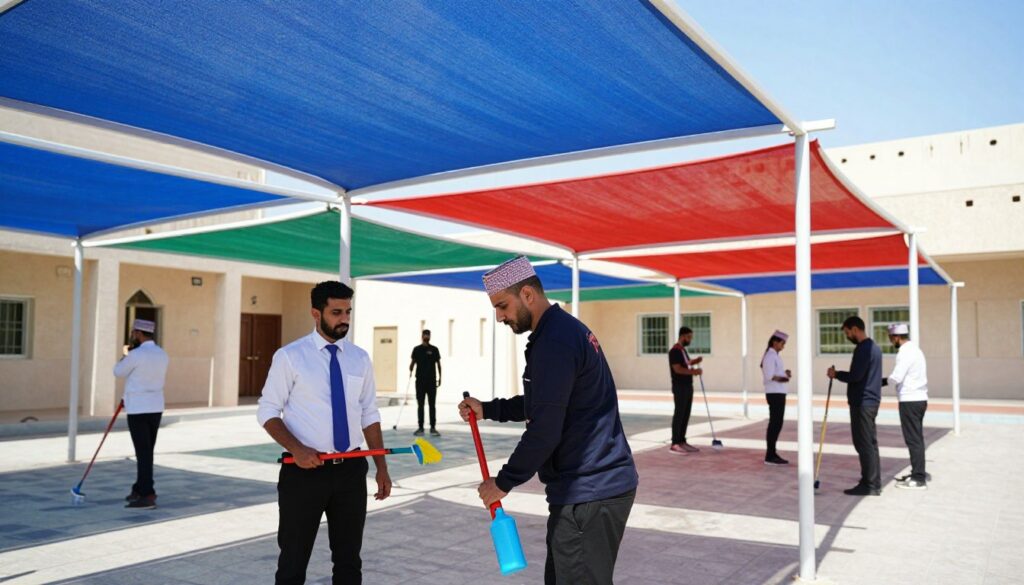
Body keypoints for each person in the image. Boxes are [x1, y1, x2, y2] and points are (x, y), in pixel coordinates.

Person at [458, 256, 638, 585]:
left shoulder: (554, 342)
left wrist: (502, 482)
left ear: (528, 294)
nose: (499, 317)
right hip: (590, 491)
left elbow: (544, 431)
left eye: (502, 306)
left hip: (589, 492)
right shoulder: (561, 332)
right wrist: (489, 408)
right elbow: (547, 402)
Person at [257, 281, 392, 585]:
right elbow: (267, 411)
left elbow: (369, 413)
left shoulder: (359, 358)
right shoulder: (290, 357)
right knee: (293, 562)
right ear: (315, 313)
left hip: (351, 472)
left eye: (348, 312)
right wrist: (297, 449)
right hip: (303, 473)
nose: (344, 319)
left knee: (348, 562)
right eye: (336, 312)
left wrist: (381, 467)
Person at [113, 318, 168, 510]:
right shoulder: (162, 354)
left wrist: (125, 355)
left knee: (143, 453)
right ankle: (139, 487)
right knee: (146, 451)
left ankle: (147, 494)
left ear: (138, 333)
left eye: (134, 332)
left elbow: (118, 371)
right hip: (155, 407)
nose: (133, 335)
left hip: (138, 409)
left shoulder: (136, 354)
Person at [827, 316, 883, 496]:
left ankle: (871, 484)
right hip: (868, 401)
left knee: (864, 443)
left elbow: (856, 376)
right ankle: (871, 479)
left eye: (847, 332)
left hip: (863, 403)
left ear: (855, 329)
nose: (847, 336)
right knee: (869, 443)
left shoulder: (864, 349)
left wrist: (836, 374)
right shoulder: (872, 347)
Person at [883, 322, 929, 490]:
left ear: (896, 337)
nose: (890, 341)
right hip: (918, 399)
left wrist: (879, 382)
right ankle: (916, 472)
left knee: (913, 440)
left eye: (890, 338)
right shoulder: (915, 350)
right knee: (915, 438)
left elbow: (896, 377)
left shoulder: (905, 352)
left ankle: (918, 478)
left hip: (910, 400)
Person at [668, 327, 703, 454]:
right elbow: (677, 369)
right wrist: (694, 372)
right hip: (680, 386)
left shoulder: (682, 350)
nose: (690, 340)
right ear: (682, 336)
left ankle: (682, 440)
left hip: (688, 386)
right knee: (679, 414)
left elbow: (685, 363)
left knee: (686, 414)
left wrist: (695, 361)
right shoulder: (675, 351)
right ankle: (675, 443)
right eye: (689, 337)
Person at [760, 330, 791, 465]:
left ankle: (772, 453)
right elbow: (769, 376)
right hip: (774, 393)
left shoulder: (775, 356)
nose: (783, 346)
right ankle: (770, 455)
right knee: (775, 424)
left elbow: (777, 373)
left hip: (779, 393)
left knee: (777, 423)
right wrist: (784, 378)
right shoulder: (770, 356)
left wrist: (785, 374)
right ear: (775, 342)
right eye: (782, 343)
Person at [409, 329, 442, 437]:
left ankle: (433, 427)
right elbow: (412, 363)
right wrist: (411, 370)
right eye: (425, 335)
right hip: (420, 381)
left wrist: (440, 377)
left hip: (432, 381)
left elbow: (438, 364)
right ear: (422, 336)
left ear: (430, 336)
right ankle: (421, 427)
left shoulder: (434, 349)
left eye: (428, 335)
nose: (426, 336)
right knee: (421, 405)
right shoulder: (417, 349)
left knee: (432, 405)